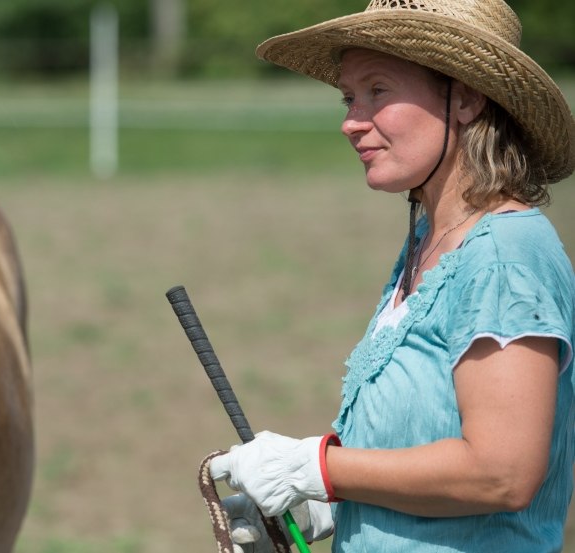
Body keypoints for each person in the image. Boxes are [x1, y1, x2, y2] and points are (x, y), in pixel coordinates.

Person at [207, 0, 575, 551]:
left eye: (378, 91)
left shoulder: (504, 257)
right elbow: (424, 431)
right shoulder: (429, 243)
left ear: (467, 98)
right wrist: (329, 504)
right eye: (350, 96)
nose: (352, 121)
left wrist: (316, 468)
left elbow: (501, 472)